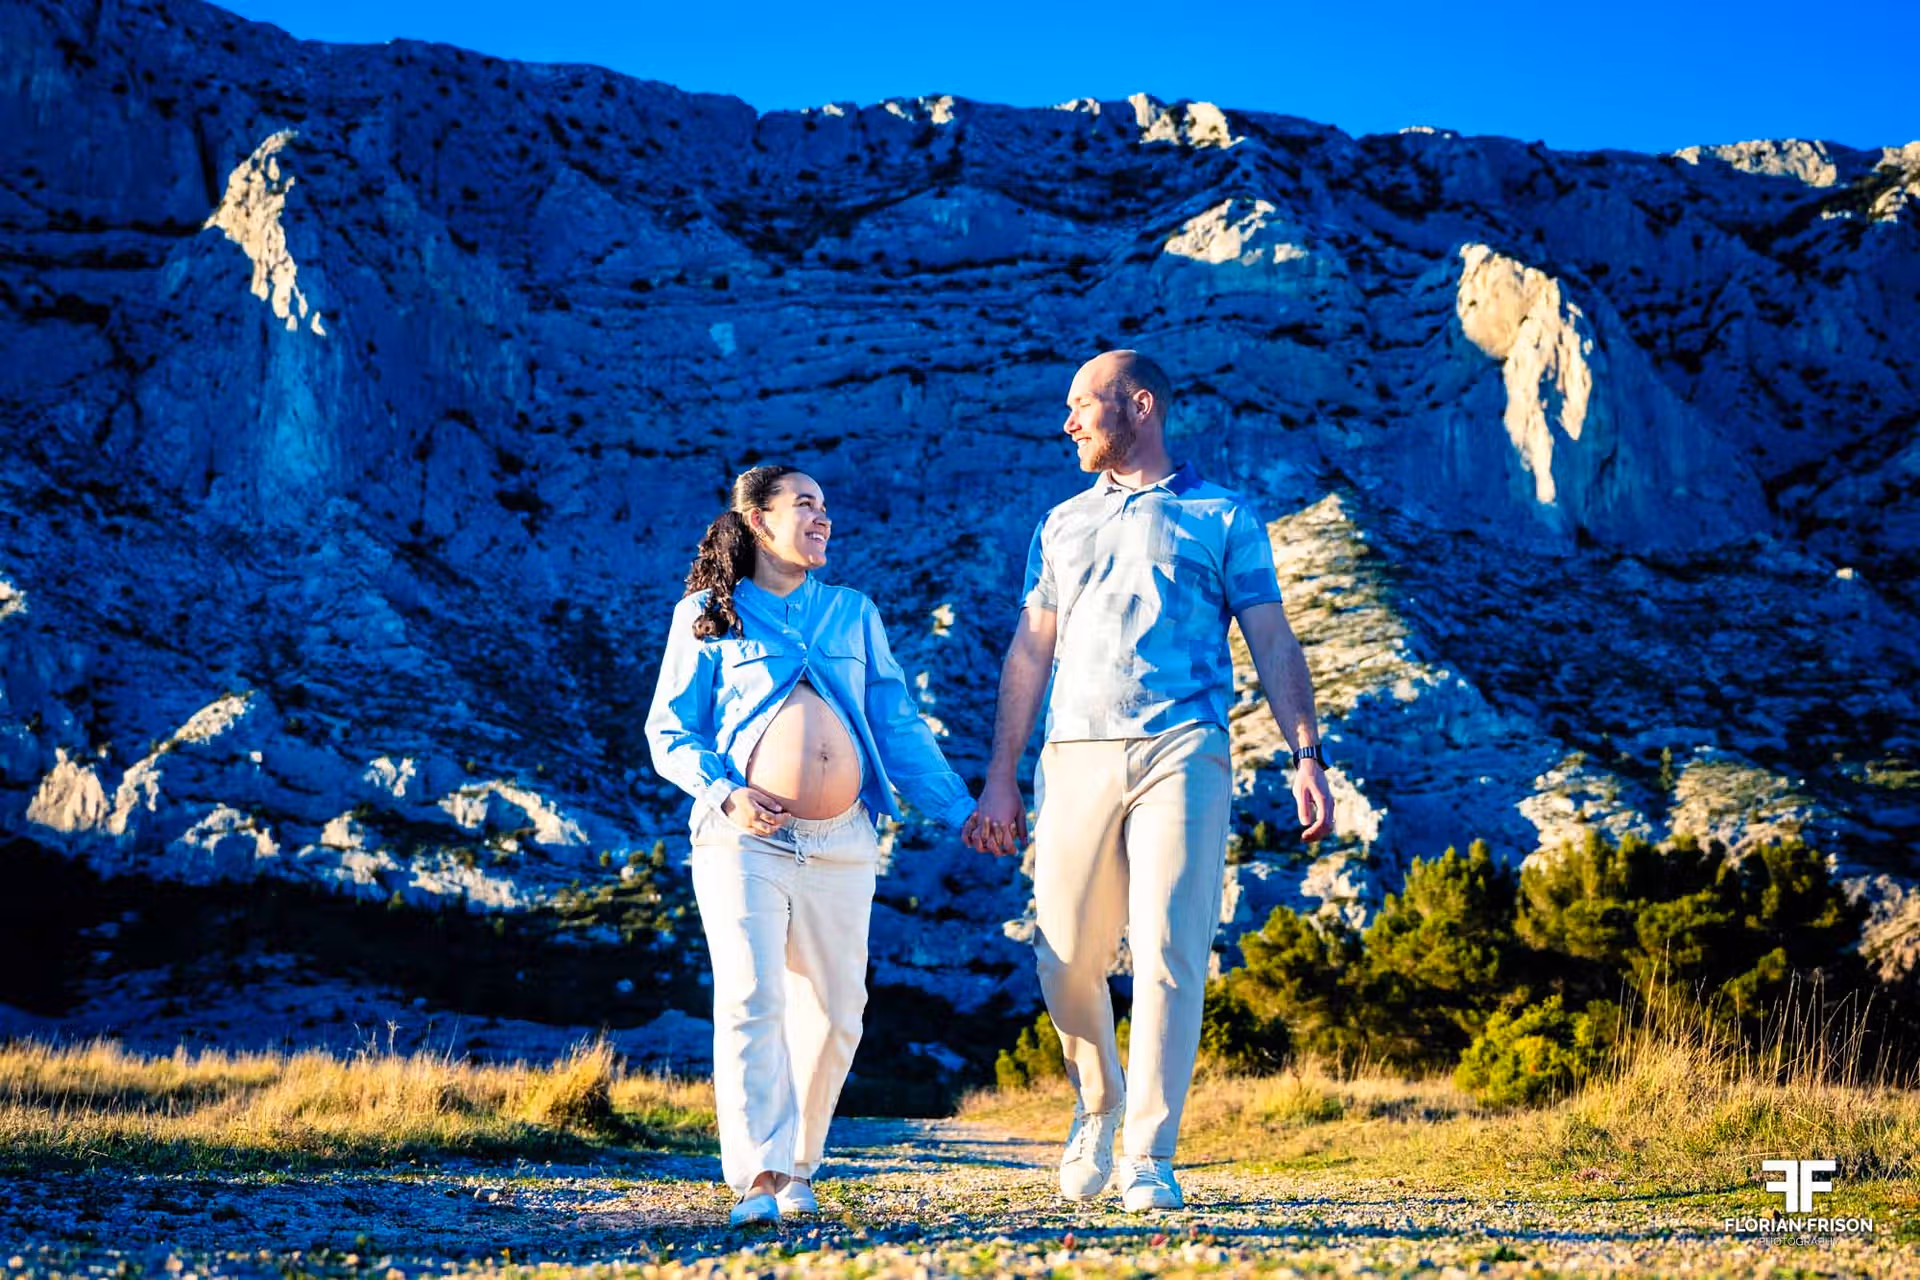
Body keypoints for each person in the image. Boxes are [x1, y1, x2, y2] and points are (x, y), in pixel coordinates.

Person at [965, 350, 1336, 1211]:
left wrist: (1306, 754)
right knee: (1062, 956)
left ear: (1140, 406)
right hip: (1075, 752)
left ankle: (1149, 1157)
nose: (1068, 422)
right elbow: (1029, 652)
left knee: (1172, 950)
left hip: (1185, 750)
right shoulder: (1059, 525)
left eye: (1081, 406)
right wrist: (1001, 779)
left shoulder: (1223, 516)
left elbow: (1274, 640)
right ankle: (1100, 1102)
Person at [646, 464, 976, 1227]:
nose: (823, 517)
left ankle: (798, 1161)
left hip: (843, 843)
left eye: (826, 506)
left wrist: (959, 810)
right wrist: (724, 788)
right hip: (743, 840)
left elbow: (896, 724)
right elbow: (669, 730)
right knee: (752, 996)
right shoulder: (708, 614)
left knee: (836, 1014)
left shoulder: (854, 613)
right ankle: (758, 1175)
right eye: (805, 505)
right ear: (758, 521)